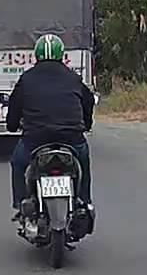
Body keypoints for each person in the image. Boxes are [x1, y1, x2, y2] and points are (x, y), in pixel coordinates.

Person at [5, 33, 95, 221]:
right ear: (61, 54)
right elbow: (88, 102)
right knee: (83, 163)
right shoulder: (73, 78)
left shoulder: (27, 79)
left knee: (18, 163)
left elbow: (14, 107)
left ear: (36, 54)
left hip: (35, 139)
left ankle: (21, 204)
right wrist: (86, 125)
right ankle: (84, 202)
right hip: (72, 138)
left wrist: (12, 126)